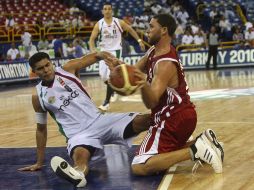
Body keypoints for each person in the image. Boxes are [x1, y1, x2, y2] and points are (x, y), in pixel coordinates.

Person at [103, 14, 224, 176]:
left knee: (140, 165)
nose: (148, 30)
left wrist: (143, 84)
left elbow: (151, 101)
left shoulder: (165, 63)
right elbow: (135, 71)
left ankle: (195, 150)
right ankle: (203, 141)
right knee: (163, 157)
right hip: (182, 114)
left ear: (164, 30)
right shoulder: (153, 50)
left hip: (171, 119)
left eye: (152, 26)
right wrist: (120, 70)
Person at [17, 52, 151, 187]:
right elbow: (41, 130)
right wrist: (39, 162)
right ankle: (78, 176)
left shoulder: (67, 69)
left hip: (101, 121)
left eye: (47, 65)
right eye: (40, 68)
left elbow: (97, 55)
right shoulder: (38, 96)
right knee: (80, 160)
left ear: (52, 63)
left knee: (147, 120)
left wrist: (111, 60)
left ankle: (170, 137)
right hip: (78, 135)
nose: (46, 70)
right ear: (34, 72)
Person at [89, 2, 146, 111]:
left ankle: (106, 103)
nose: (107, 11)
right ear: (102, 11)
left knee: (112, 75)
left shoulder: (119, 22)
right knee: (103, 76)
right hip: (103, 52)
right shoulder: (99, 24)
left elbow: (130, 29)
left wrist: (139, 40)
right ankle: (114, 88)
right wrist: (93, 50)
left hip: (115, 52)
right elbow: (91, 39)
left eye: (109, 9)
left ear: (112, 11)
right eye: (105, 9)